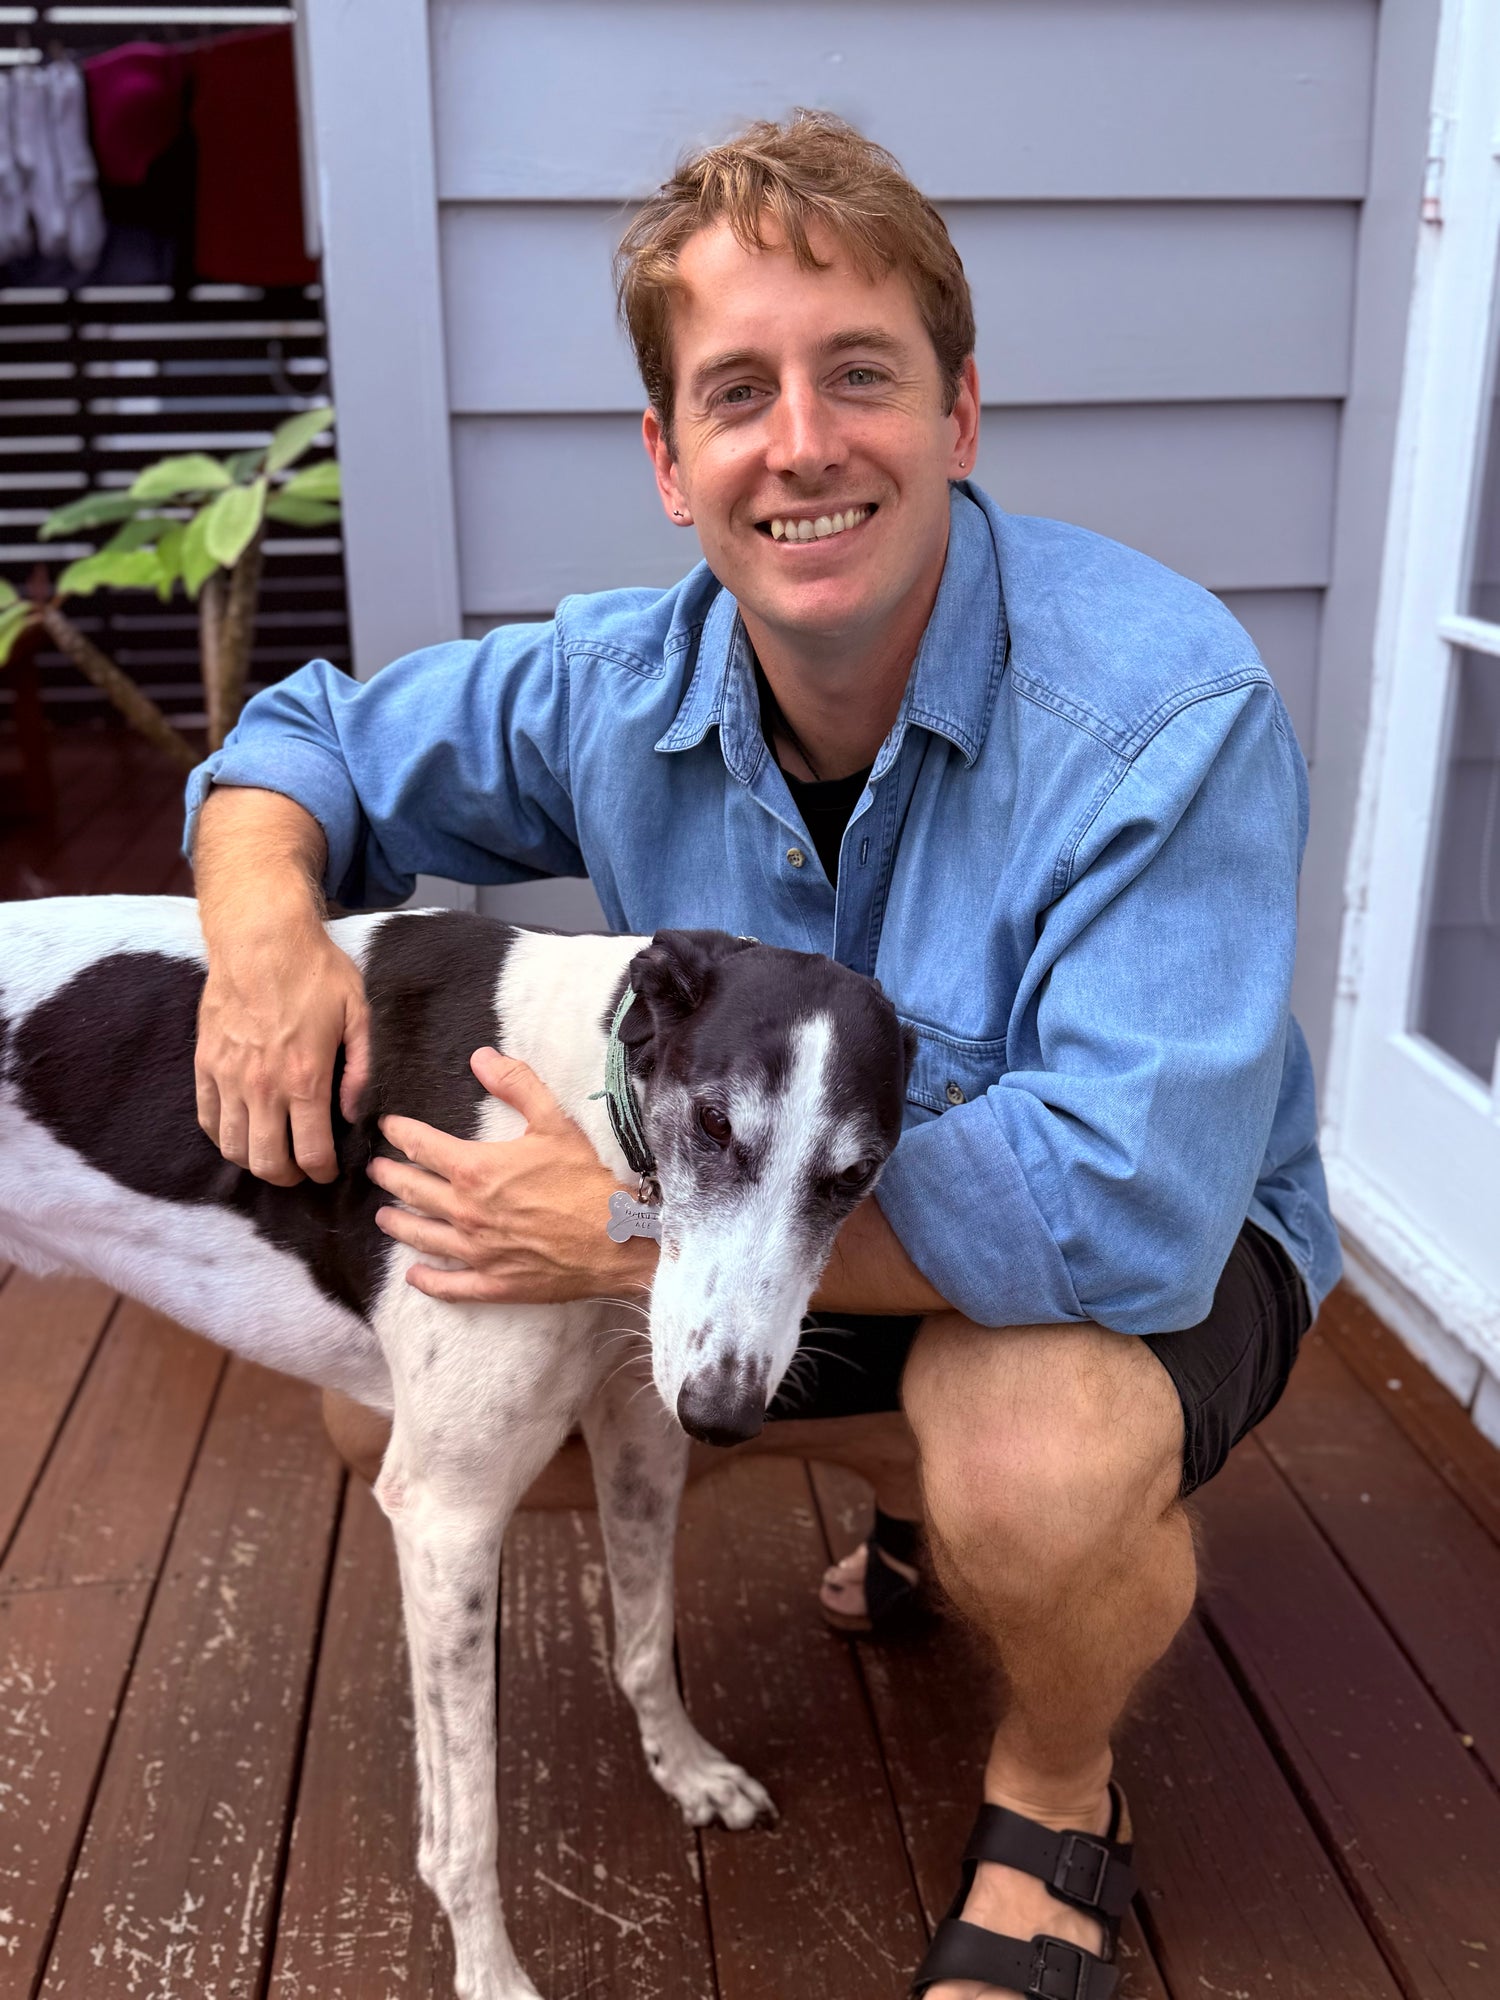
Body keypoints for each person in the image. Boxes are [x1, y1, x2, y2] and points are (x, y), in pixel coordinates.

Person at [187, 112, 1340, 2000]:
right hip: (785, 1239)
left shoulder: (1163, 712)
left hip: (1157, 1257)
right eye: (738, 393)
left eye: (860, 375)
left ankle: (1059, 1792)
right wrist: (256, 943)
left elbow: (1126, 1211)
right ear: (671, 461)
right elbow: (304, 744)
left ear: (961, 415)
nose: (801, 444)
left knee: (1033, 1459)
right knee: (386, 1405)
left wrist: (627, 1241)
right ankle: (900, 1484)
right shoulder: (617, 684)